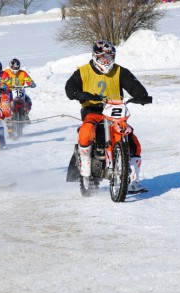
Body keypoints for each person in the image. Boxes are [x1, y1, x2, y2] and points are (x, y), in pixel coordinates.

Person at [65, 40, 152, 193]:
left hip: (115, 113)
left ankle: (133, 181)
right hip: (93, 111)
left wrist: (141, 96)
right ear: (95, 56)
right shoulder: (83, 71)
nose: (106, 61)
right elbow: (69, 87)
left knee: (133, 141)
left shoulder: (120, 71)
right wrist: (79, 94)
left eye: (109, 58)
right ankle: (85, 171)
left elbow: (135, 86)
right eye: (102, 58)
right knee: (86, 132)